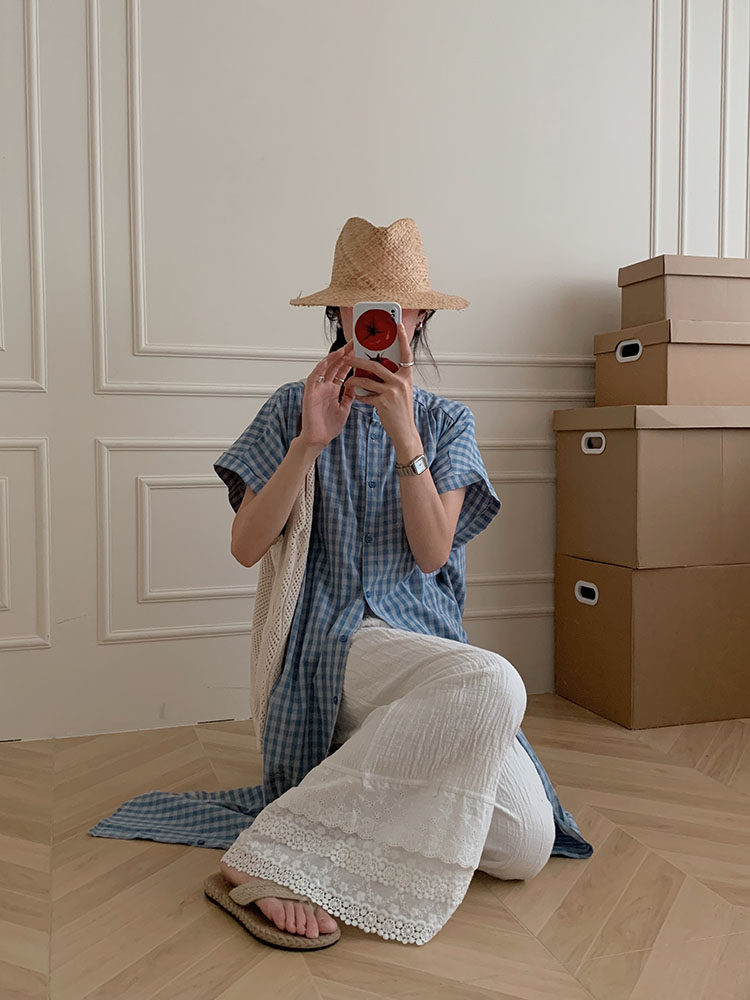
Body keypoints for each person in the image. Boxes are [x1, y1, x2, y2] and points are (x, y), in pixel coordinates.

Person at [208, 217, 593, 948]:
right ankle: (270, 854)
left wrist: (405, 436)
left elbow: (430, 553)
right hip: (333, 643)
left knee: (526, 844)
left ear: (417, 318)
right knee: (495, 680)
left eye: (397, 306)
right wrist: (309, 443)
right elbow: (245, 546)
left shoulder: (446, 422)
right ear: (341, 314)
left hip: (425, 651)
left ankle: (372, 753)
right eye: (365, 305)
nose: (384, 320)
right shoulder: (292, 406)